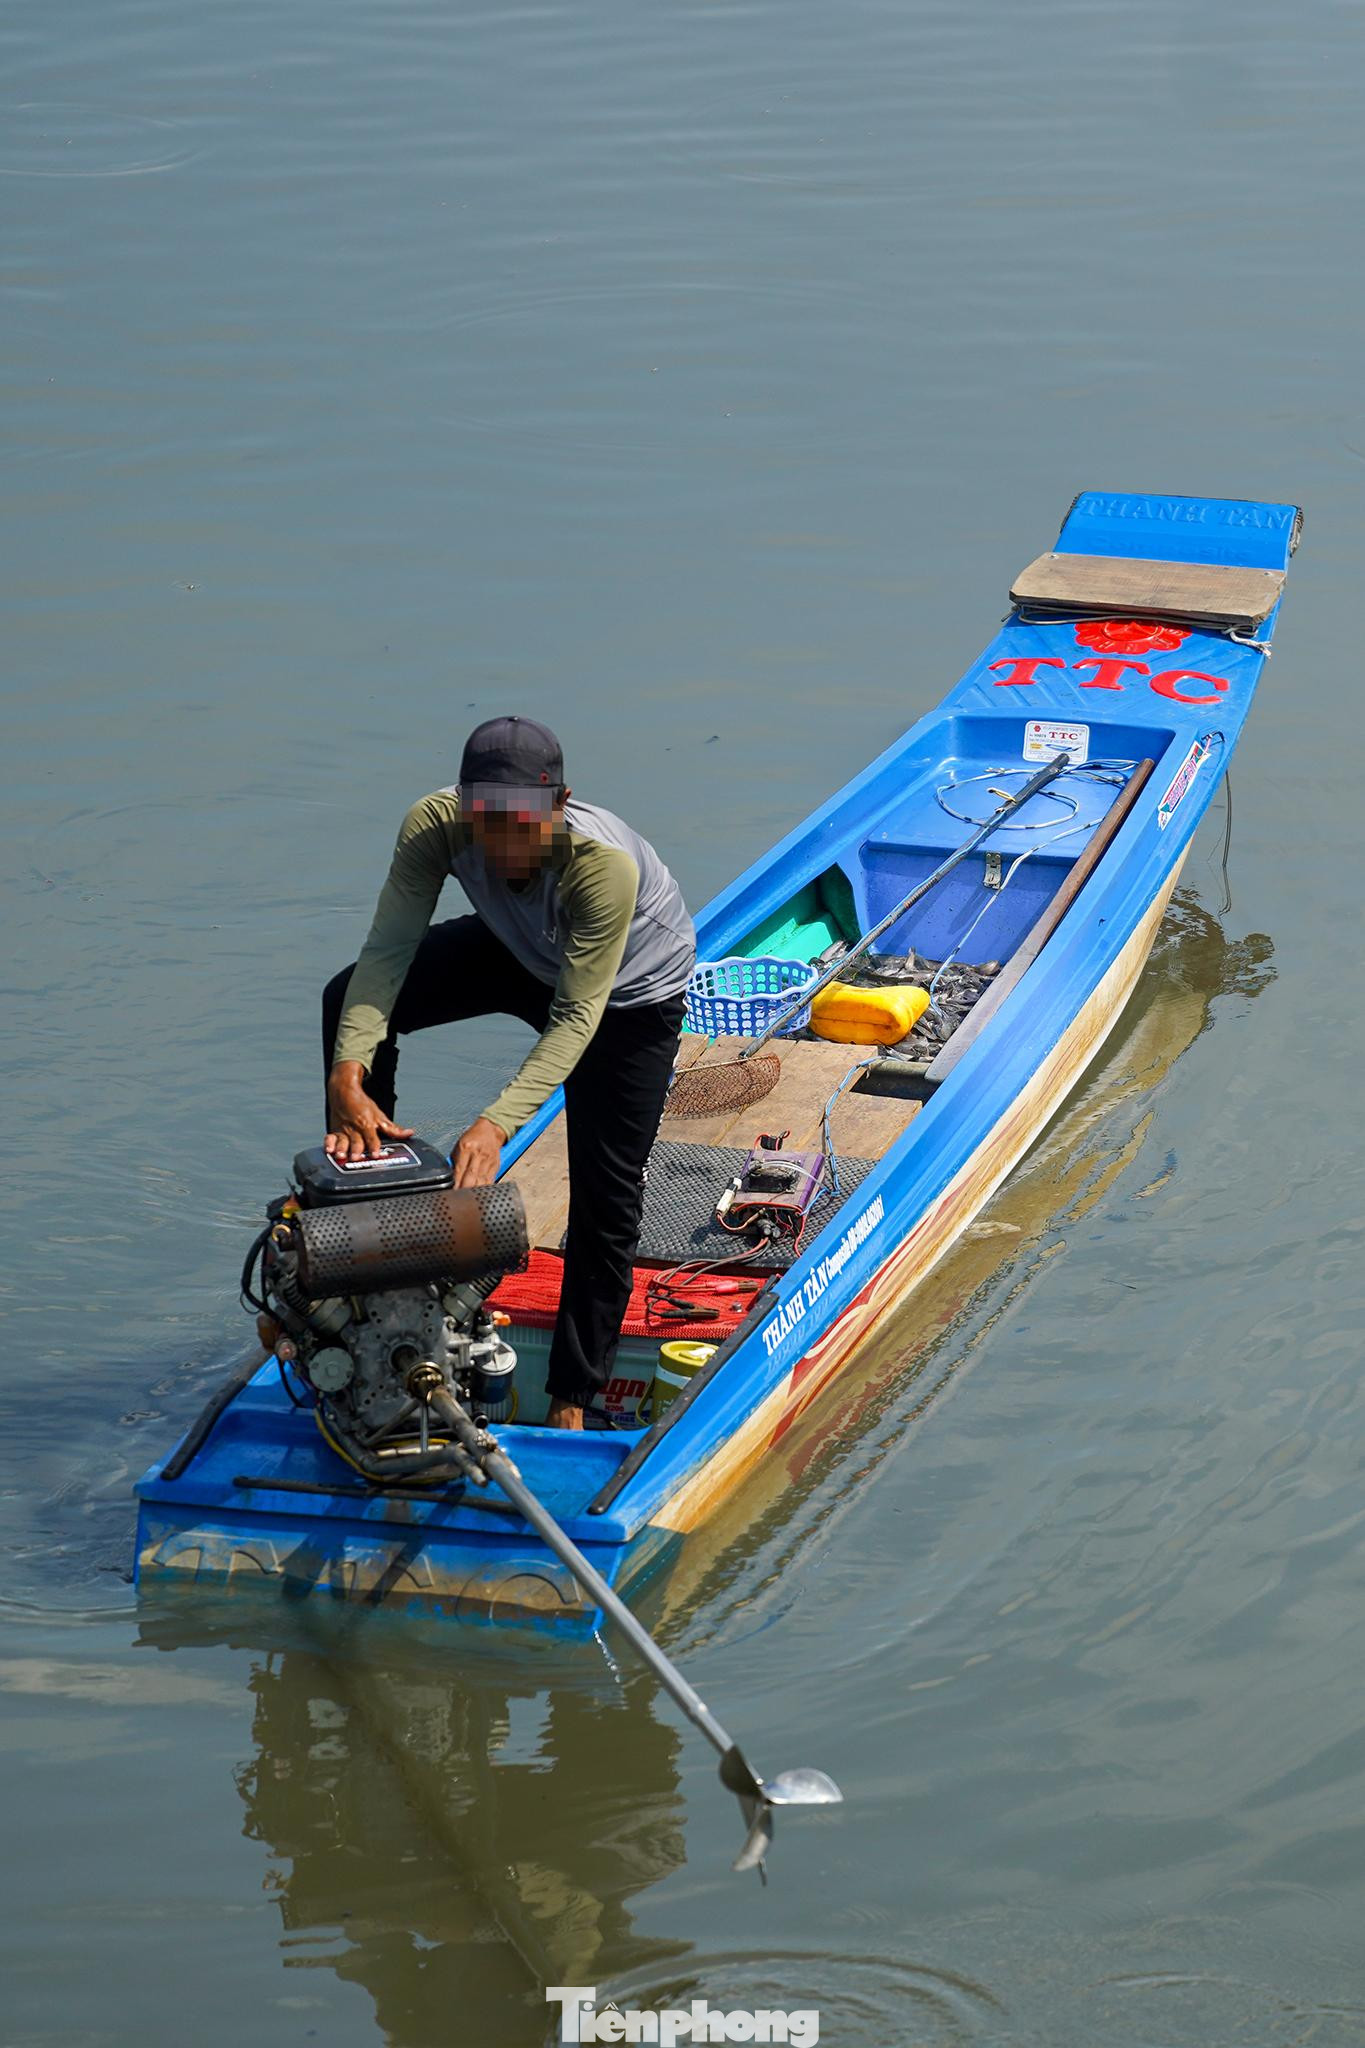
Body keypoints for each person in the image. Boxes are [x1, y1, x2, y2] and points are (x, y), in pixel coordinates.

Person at [322, 716, 696, 1430]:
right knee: (347, 1002)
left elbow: (576, 1019)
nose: (503, 845)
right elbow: (387, 952)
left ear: (560, 805)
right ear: (463, 807)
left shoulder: (599, 864)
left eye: (523, 825)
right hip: (520, 951)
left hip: (623, 996)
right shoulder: (433, 825)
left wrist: (493, 1126)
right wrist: (348, 1077)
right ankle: (368, 1233)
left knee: (607, 1198)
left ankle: (572, 1399)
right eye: (486, 824)